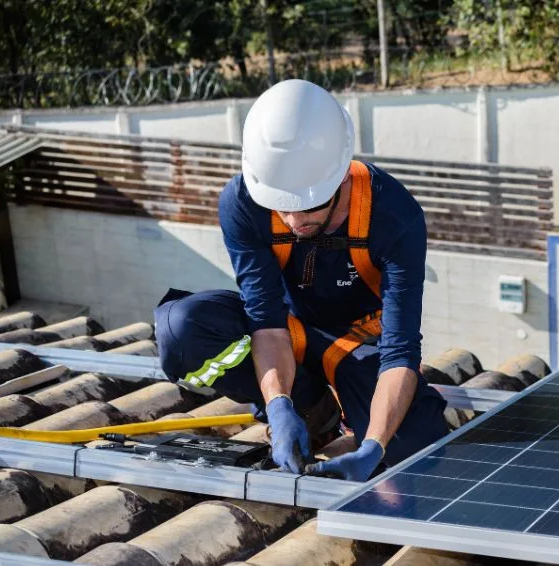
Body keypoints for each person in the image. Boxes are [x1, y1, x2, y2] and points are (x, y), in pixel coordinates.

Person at [153, 79, 448, 482]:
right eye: (280, 206)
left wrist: (374, 445)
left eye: (307, 207)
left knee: (417, 444)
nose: (293, 222)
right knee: (181, 332)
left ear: (342, 175)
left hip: (358, 342)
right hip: (286, 331)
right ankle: (311, 410)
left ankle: (351, 421)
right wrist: (277, 403)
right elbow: (266, 320)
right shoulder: (242, 203)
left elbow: (400, 351)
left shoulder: (396, 217)